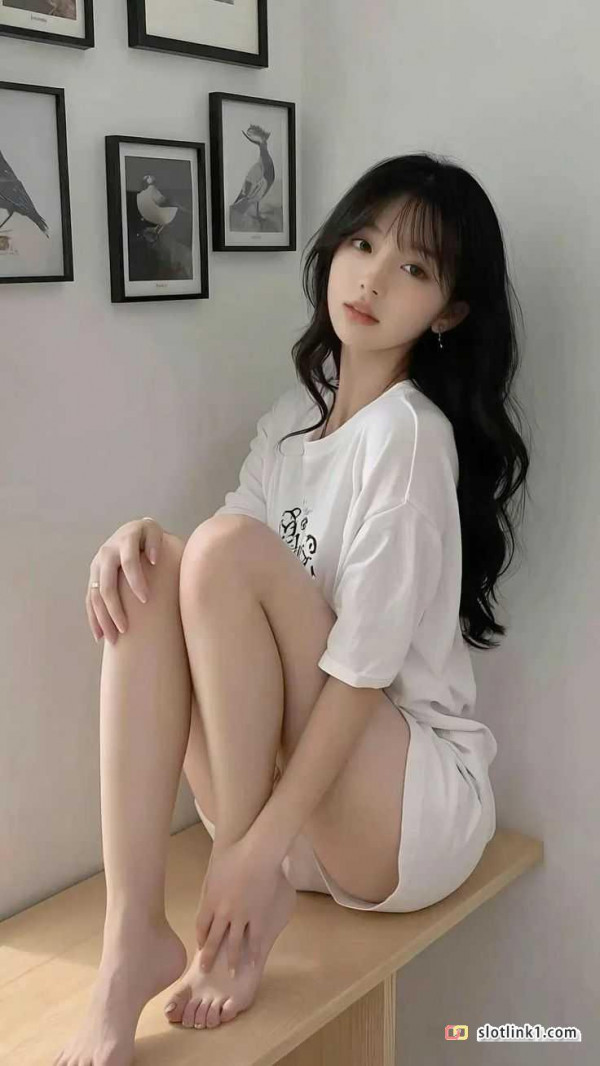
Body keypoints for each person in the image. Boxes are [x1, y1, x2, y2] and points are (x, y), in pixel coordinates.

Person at [58, 152, 531, 1064]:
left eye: (414, 267)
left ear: (448, 312)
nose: (372, 278)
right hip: (286, 814)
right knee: (158, 566)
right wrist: (136, 539)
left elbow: (360, 674)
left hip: (400, 817)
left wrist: (251, 851)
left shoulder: (409, 438)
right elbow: (209, 584)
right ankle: (129, 942)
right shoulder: (289, 421)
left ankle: (248, 888)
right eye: (362, 244)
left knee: (220, 549)